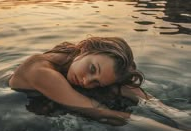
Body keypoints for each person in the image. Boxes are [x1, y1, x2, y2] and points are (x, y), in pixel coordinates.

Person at [8, 37, 151, 125]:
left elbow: (130, 89)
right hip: (6, 94)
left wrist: (167, 111)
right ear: (86, 50)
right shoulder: (42, 73)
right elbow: (102, 113)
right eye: (92, 69)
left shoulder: (72, 55)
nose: (86, 81)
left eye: (96, 82)